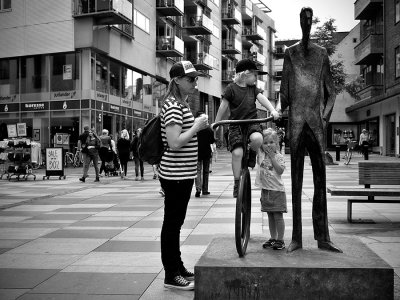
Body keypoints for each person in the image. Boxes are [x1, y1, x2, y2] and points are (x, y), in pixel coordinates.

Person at [278, 7, 341, 253]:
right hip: (295, 122)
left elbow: (331, 92)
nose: (307, 23)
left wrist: (324, 118)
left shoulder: (321, 53)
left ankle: (323, 237)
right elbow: (284, 89)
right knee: (296, 181)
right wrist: (278, 109)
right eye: (304, 19)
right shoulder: (290, 53)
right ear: (300, 21)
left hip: (315, 122)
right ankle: (296, 238)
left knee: (320, 180)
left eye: (310, 19)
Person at [159, 61, 208, 290]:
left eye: (196, 79)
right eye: (190, 79)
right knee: (172, 224)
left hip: (182, 174)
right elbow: (174, 142)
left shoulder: (181, 104)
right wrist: (196, 126)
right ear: (177, 80)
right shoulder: (172, 106)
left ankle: (177, 267)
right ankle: (171, 274)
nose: (195, 82)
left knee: (175, 223)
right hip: (175, 174)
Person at [213, 58, 280, 197]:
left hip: (252, 122)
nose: (256, 78)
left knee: (257, 139)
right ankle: (237, 182)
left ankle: (252, 153)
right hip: (236, 124)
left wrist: (272, 110)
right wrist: (217, 123)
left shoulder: (253, 89)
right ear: (245, 74)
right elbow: (223, 106)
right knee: (237, 154)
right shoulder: (231, 88)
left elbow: (262, 99)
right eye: (255, 75)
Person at [256, 128, 287, 251]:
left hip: (277, 191)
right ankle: (273, 238)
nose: (268, 145)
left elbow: (280, 171)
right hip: (265, 191)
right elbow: (254, 144)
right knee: (269, 215)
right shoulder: (261, 155)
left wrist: (272, 157)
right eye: (265, 143)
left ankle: (281, 239)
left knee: (278, 216)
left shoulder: (279, 156)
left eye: (271, 142)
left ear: (276, 143)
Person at [195, 111, 215, 197]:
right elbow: (212, 141)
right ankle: (205, 190)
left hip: (197, 152)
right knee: (206, 172)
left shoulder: (195, 129)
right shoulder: (209, 129)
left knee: (198, 171)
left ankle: (198, 189)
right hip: (206, 152)